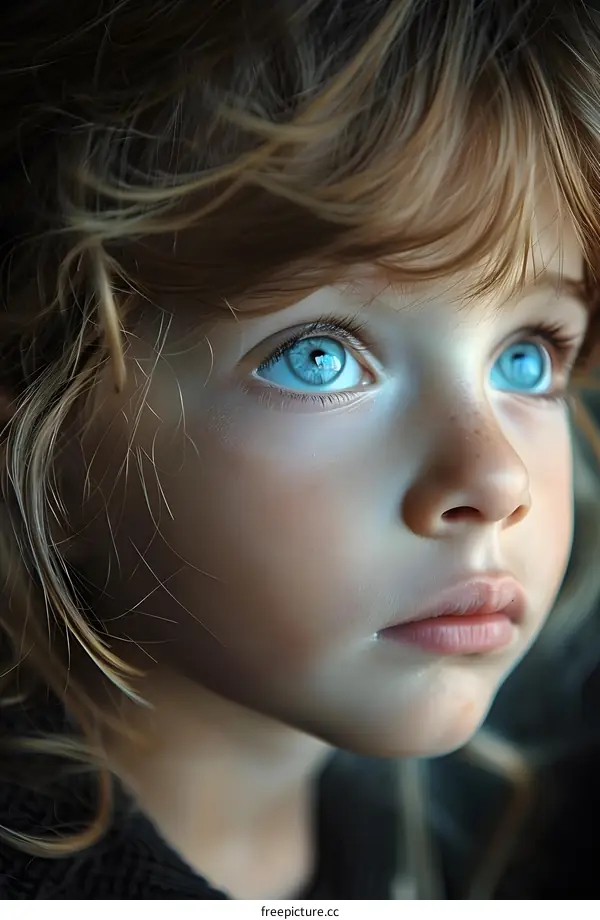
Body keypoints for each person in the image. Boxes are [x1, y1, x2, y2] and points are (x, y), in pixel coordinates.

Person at [0, 0, 599, 900]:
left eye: (524, 358)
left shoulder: (515, 816)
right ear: (38, 442)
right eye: (318, 358)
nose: (494, 478)